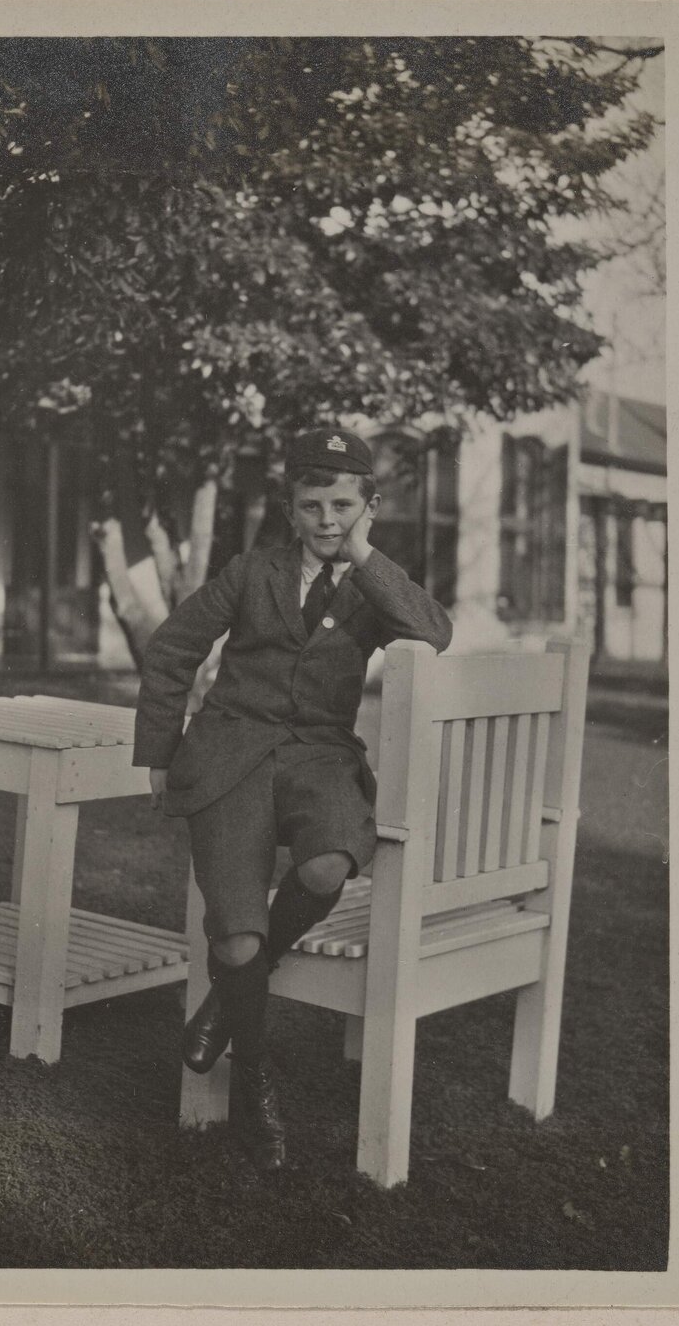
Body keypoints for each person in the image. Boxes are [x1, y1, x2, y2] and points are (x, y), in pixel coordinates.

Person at [132, 428, 452, 1172]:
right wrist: (158, 751)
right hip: (231, 757)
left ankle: (223, 1005)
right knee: (237, 939)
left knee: (327, 865)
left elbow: (433, 633)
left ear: (369, 506)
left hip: (317, 759)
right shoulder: (252, 572)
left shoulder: (371, 584)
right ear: (291, 508)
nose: (327, 519)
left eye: (344, 504)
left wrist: (367, 557)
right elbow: (174, 646)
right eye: (312, 505)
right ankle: (254, 1083)